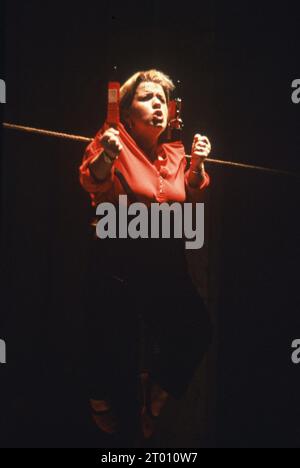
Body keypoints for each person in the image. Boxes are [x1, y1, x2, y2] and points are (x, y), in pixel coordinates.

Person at [79, 69, 212, 441]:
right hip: (119, 261)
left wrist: (197, 166)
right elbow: (95, 177)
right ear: (127, 111)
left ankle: (156, 394)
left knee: (198, 329)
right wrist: (107, 154)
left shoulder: (174, 151)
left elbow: (190, 192)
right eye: (146, 97)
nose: (157, 104)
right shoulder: (113, 140)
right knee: (110, 346)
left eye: (161, 99)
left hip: (164, 264)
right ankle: (100, 397)